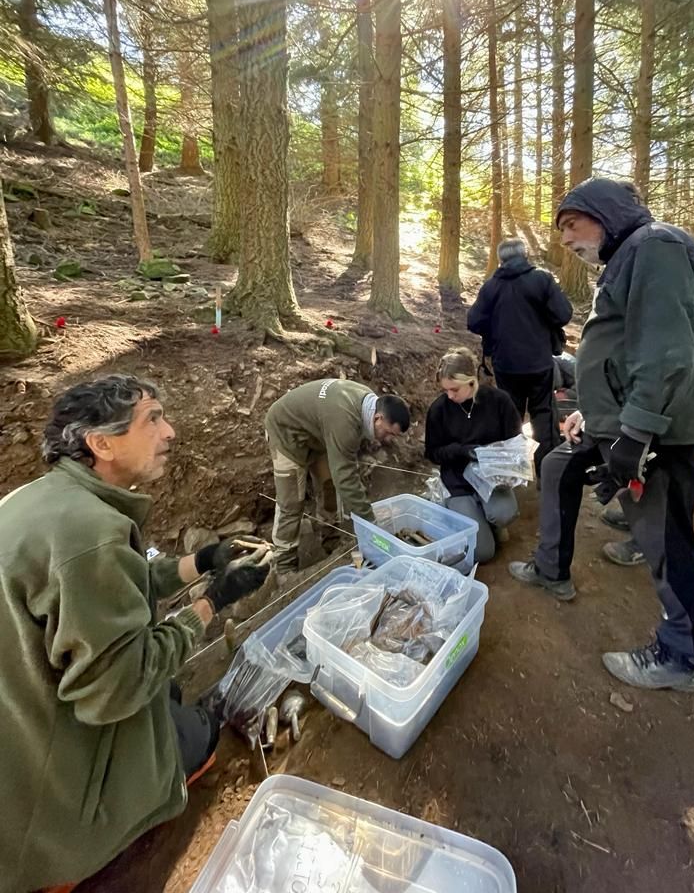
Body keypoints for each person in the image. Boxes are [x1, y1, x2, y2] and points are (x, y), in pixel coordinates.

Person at [0, 375, 271, 893]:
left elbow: (118, 584)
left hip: (21, 732)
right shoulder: (91, 533)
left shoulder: (43, 502)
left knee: (167, 693)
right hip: (45, 799)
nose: (170, 431)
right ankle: (78, 859)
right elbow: (118, 688)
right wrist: (215, 600)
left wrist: (205, 561)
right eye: (153, 419)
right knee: (201, 729)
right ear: (99, 443)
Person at [508, 178, 694, 693]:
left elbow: (665, 354)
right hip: (619, 426)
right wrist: (592, 414)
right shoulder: (629, 258)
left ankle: (680, 655)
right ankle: (552, 568)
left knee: (666, 540)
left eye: (571, 224)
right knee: (557, 465)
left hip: (655, 435)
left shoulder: (656, 247)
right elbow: (619, 354)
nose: (564, 240)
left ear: (604, 214)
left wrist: (634, 435)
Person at [265, 379, 410, 575]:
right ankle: (284, 567)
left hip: (317, 434)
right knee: (291, 502)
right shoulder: (346, 421)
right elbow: (346, 477)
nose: (388, 439)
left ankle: (331, 542)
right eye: (388, 433)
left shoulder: (366, 404)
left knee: (328, 488)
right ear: (378, 418)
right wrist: (370, 523)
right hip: (286, 432)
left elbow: (343, 469)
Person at [468, 238, 573, 476]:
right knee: (544, 416)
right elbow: (564, 314)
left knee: (510, 416)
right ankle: (546, 474)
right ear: (525, 255)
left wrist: (494, 328)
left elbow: (473, 321)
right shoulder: (542, 280)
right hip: (539, 362)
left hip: (506, 365)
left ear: (501, 259)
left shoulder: (491, 286)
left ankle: (511, 472)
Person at [425, 348, 523, 563]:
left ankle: (491, 521)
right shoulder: (439, 409)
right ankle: (470, 515)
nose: (450, 396)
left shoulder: (499, 401)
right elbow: (432, 452)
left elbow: (515, 442)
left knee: (505, 513)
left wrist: (502, 462)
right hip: (457, 480)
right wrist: (461, 450)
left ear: (472, 382)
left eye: (455, 389)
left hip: (490, 477)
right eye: (446, 390)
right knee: (483, 553)